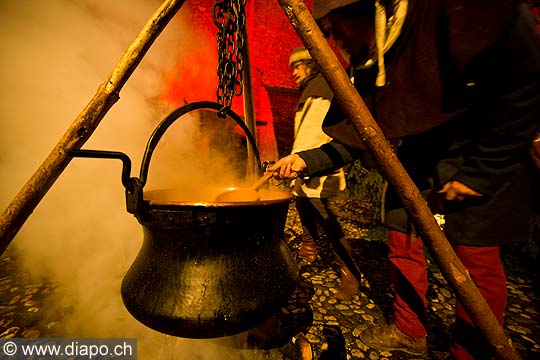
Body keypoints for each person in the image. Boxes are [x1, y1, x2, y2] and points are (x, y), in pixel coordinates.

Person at [269, 0, 540, 359]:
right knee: (401, 237)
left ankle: (470, 351)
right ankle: (409, 330)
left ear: (365, 9)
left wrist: (481, 173)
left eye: (335, 26)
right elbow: (360, 135)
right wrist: (304, 160)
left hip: (480, 148)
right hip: (420, 156)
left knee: (476, 263)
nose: (334, 40)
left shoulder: (449, 11)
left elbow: (524, 87)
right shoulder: (371, 60)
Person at [287, 46, 361, 300]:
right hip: (305, 161)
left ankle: (350, 272)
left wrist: (310, 162)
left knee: (327, 220)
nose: (293, 73)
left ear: (311, 64)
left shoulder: (326, 84)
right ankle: (310, 245)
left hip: (320, 162)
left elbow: (324, 129)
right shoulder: (309, 88)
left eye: (297, 66)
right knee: (302, 204)